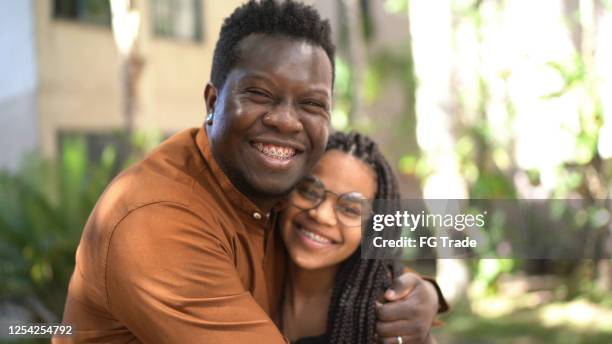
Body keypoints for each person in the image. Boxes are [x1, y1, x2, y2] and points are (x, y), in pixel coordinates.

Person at [57, 1, 446, 343]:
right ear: (213, 101)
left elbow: (353, 253)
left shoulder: (279, 196)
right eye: (259, 94)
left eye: (311, 104)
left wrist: (421, 294)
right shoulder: (155, 218)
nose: (285, 121)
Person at [278, 132, 441, 344]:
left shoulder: (389, 316)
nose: (321, 215)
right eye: (309, 191)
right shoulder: (250, 264)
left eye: (350, 209)